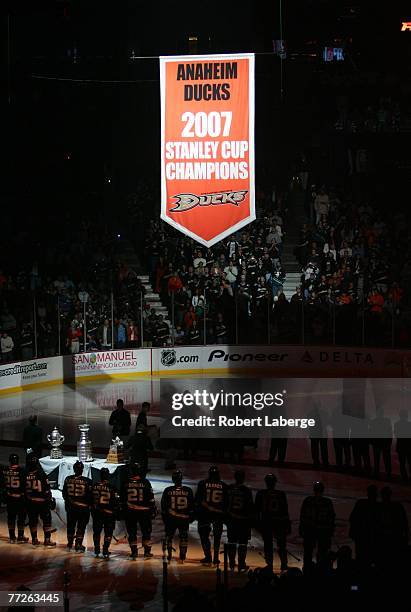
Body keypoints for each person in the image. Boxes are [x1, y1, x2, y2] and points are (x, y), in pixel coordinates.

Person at [255, 474, 290, 571]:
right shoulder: (280, 494)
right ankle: (283, 563)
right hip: (278, 522)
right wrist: (287, 523)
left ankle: (270, 564)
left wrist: (257, 523)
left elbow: (256, 510)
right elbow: (285, 510)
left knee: (268, 545)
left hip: (267, 522)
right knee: (281, 545)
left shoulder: (261, 493)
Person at [122, 463, 156, 560]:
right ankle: (147, 552)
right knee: (146, 532)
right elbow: (151, 499)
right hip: (144, 512)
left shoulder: (125, 482)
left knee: (132, 532)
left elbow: (122, 500)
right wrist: (152, 509)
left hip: (130, 512)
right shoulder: (145, 482)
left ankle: (134, 552)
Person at [195, 465, 228, 565]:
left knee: (204, 536)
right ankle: (216, 558)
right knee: (217, 537)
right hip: (218, 515)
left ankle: (208, 556)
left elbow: (198, 500)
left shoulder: (202, 483)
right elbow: (226, 502)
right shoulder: (224, 485)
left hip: (205, 514)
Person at [299, 481, 335, 570]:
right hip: (318, 530)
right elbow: (331, 517)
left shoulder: (309, 500)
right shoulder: (326, 502)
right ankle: (317, 568)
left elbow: (303, 516)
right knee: (316, 552)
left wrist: (302, 527)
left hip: (314, 530)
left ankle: (310, 568)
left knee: (311, 552)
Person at [161, 469, 194, 563]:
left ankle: (169, 554)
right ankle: (183, 555)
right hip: (183, 518)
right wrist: (190, 517)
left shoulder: (168, 490)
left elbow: (164, 506)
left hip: (171, 519)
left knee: (169, 536)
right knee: (183, 536)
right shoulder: (188, 490)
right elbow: (192, 506)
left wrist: (165, 517)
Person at [226, 470, 254, 572]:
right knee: (242, 544)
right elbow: (250, 507)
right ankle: (241, 564)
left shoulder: (229, 488)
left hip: (232, 520)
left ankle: (232, 564)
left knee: (231, 542)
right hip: (243, 521)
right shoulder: (246, 491)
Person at [25, 454, 56, 547]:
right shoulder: (41, 474)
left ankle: (34, 539)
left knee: (32, 521)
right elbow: (47, 489)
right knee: (47, 520)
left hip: (30, 502)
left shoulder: (24, 474)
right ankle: (47, 540)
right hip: (42, 502)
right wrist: (50, 499)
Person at [62, 460, 92, 552]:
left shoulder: (67, 479)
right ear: (82, 470)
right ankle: (78, 544)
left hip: (71, 508)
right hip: (83, 508)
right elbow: (90, 496)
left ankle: (70, 543)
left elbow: (64, 494)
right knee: (81, 526)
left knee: (70, 525)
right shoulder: (88, 481)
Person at [348, 484, 379, 568]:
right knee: (366, 556)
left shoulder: (362, 503)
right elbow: (353, 518)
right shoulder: (376, 506)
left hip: (365, 536)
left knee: (363, 556)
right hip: (365, 536)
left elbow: (352, 518)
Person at [1, 454, 28, 543]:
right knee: (21, 518)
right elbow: (25, 485)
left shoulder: (4, 470)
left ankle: (12, 537)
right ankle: (20, 536)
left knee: (11, 517)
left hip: (9, 497)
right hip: (20, 498)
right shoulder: (22, 471)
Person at [92, 468, 119, 559]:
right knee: (108, 533)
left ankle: (96, 549)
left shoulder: (94, 486)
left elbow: (89, 499)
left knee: (96, 532)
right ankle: (105, 550)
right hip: (108, 514)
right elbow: (116, 502)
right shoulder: (112, 488)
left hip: (97, 513)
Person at [393, 409, 411, 482]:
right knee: (410, 463)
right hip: (409, 446)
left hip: (401, 446)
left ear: (400, 416)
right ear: (406, 415)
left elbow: (396, 434)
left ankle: (404, 477)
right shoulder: (409, 424)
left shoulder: (396, 424)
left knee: (402, 464)